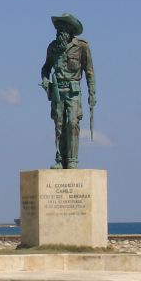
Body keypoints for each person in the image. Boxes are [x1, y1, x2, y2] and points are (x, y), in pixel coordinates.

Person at [39, 13, 96, 169]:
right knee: (59, 125)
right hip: (58, 91)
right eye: (58, 29)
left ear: (70, 30)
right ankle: (59, 158)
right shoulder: (53, 48)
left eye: (63, 29)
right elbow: (45, 68)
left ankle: (72, 160)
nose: (59, 32)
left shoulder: (82, 47)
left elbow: (89, 71)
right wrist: (45, 81)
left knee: (72, 123)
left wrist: (92, 93)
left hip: (73, 92)